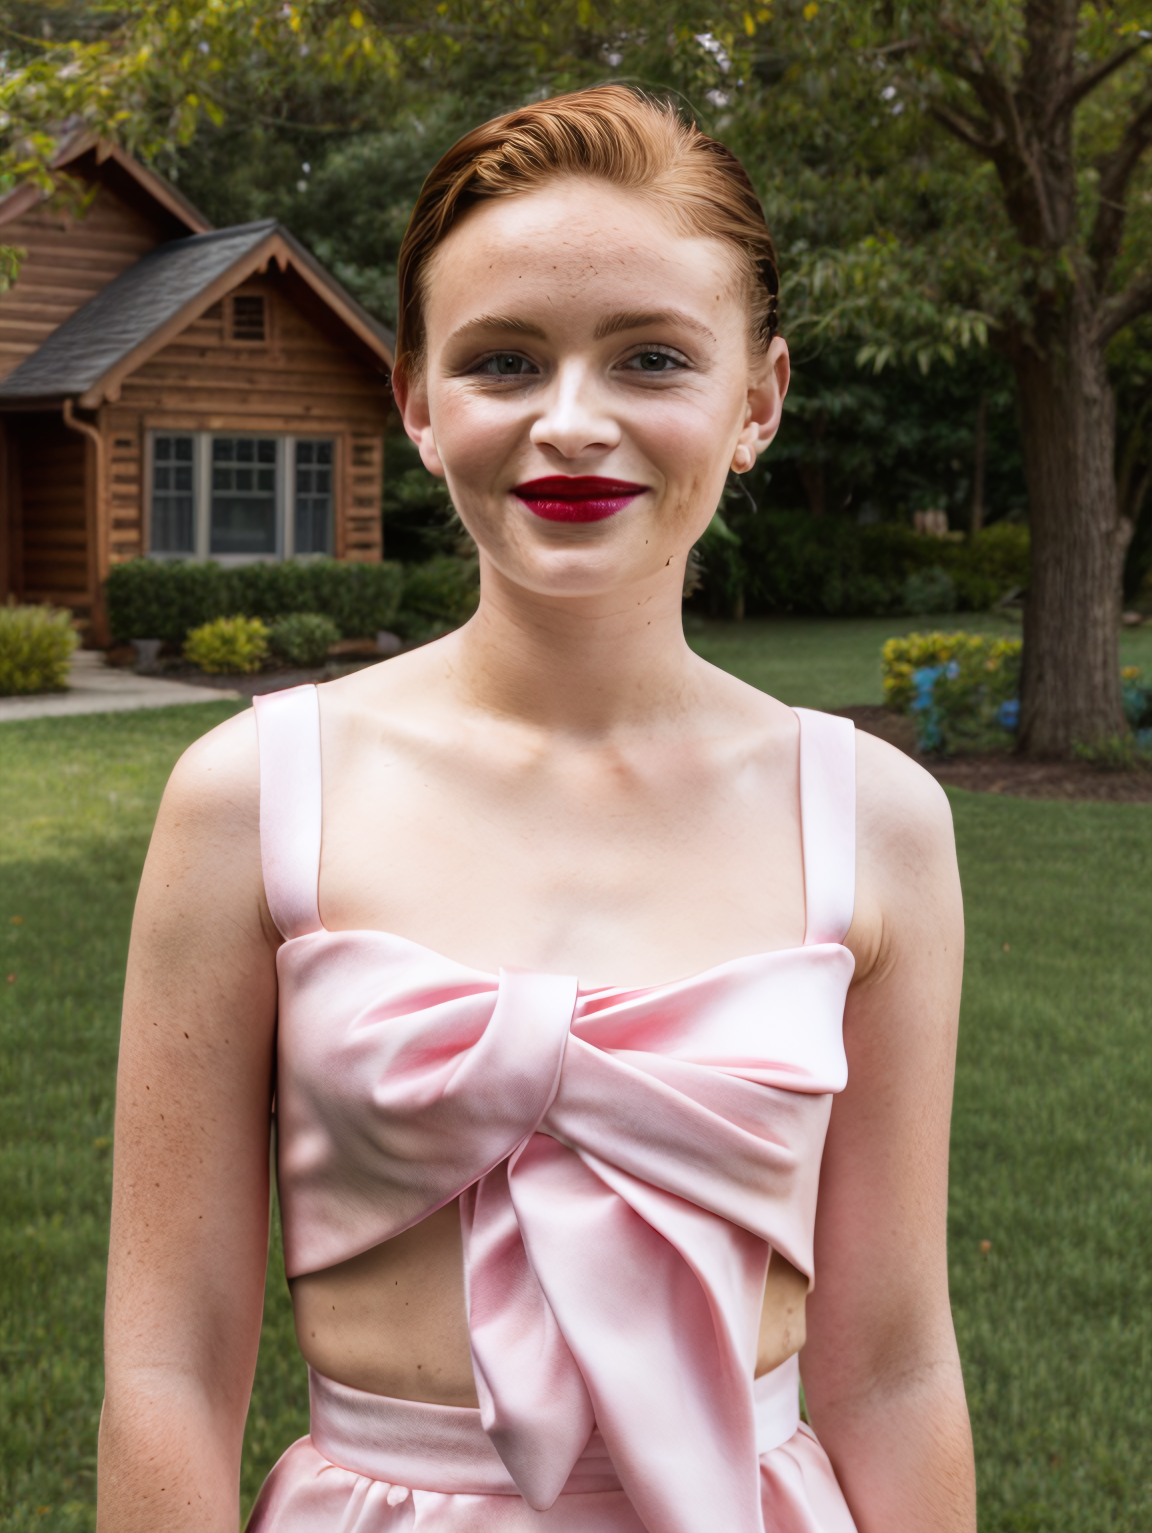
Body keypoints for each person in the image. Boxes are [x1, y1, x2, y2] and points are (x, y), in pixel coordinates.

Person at [97, 87, 975, 1533]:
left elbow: (890, 1367)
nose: (574, 423)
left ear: (757, 400)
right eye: (505, 360)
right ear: (418, 402)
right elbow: (167, 1366)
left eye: (650, 357)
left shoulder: (877, 822)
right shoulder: (252, 799)